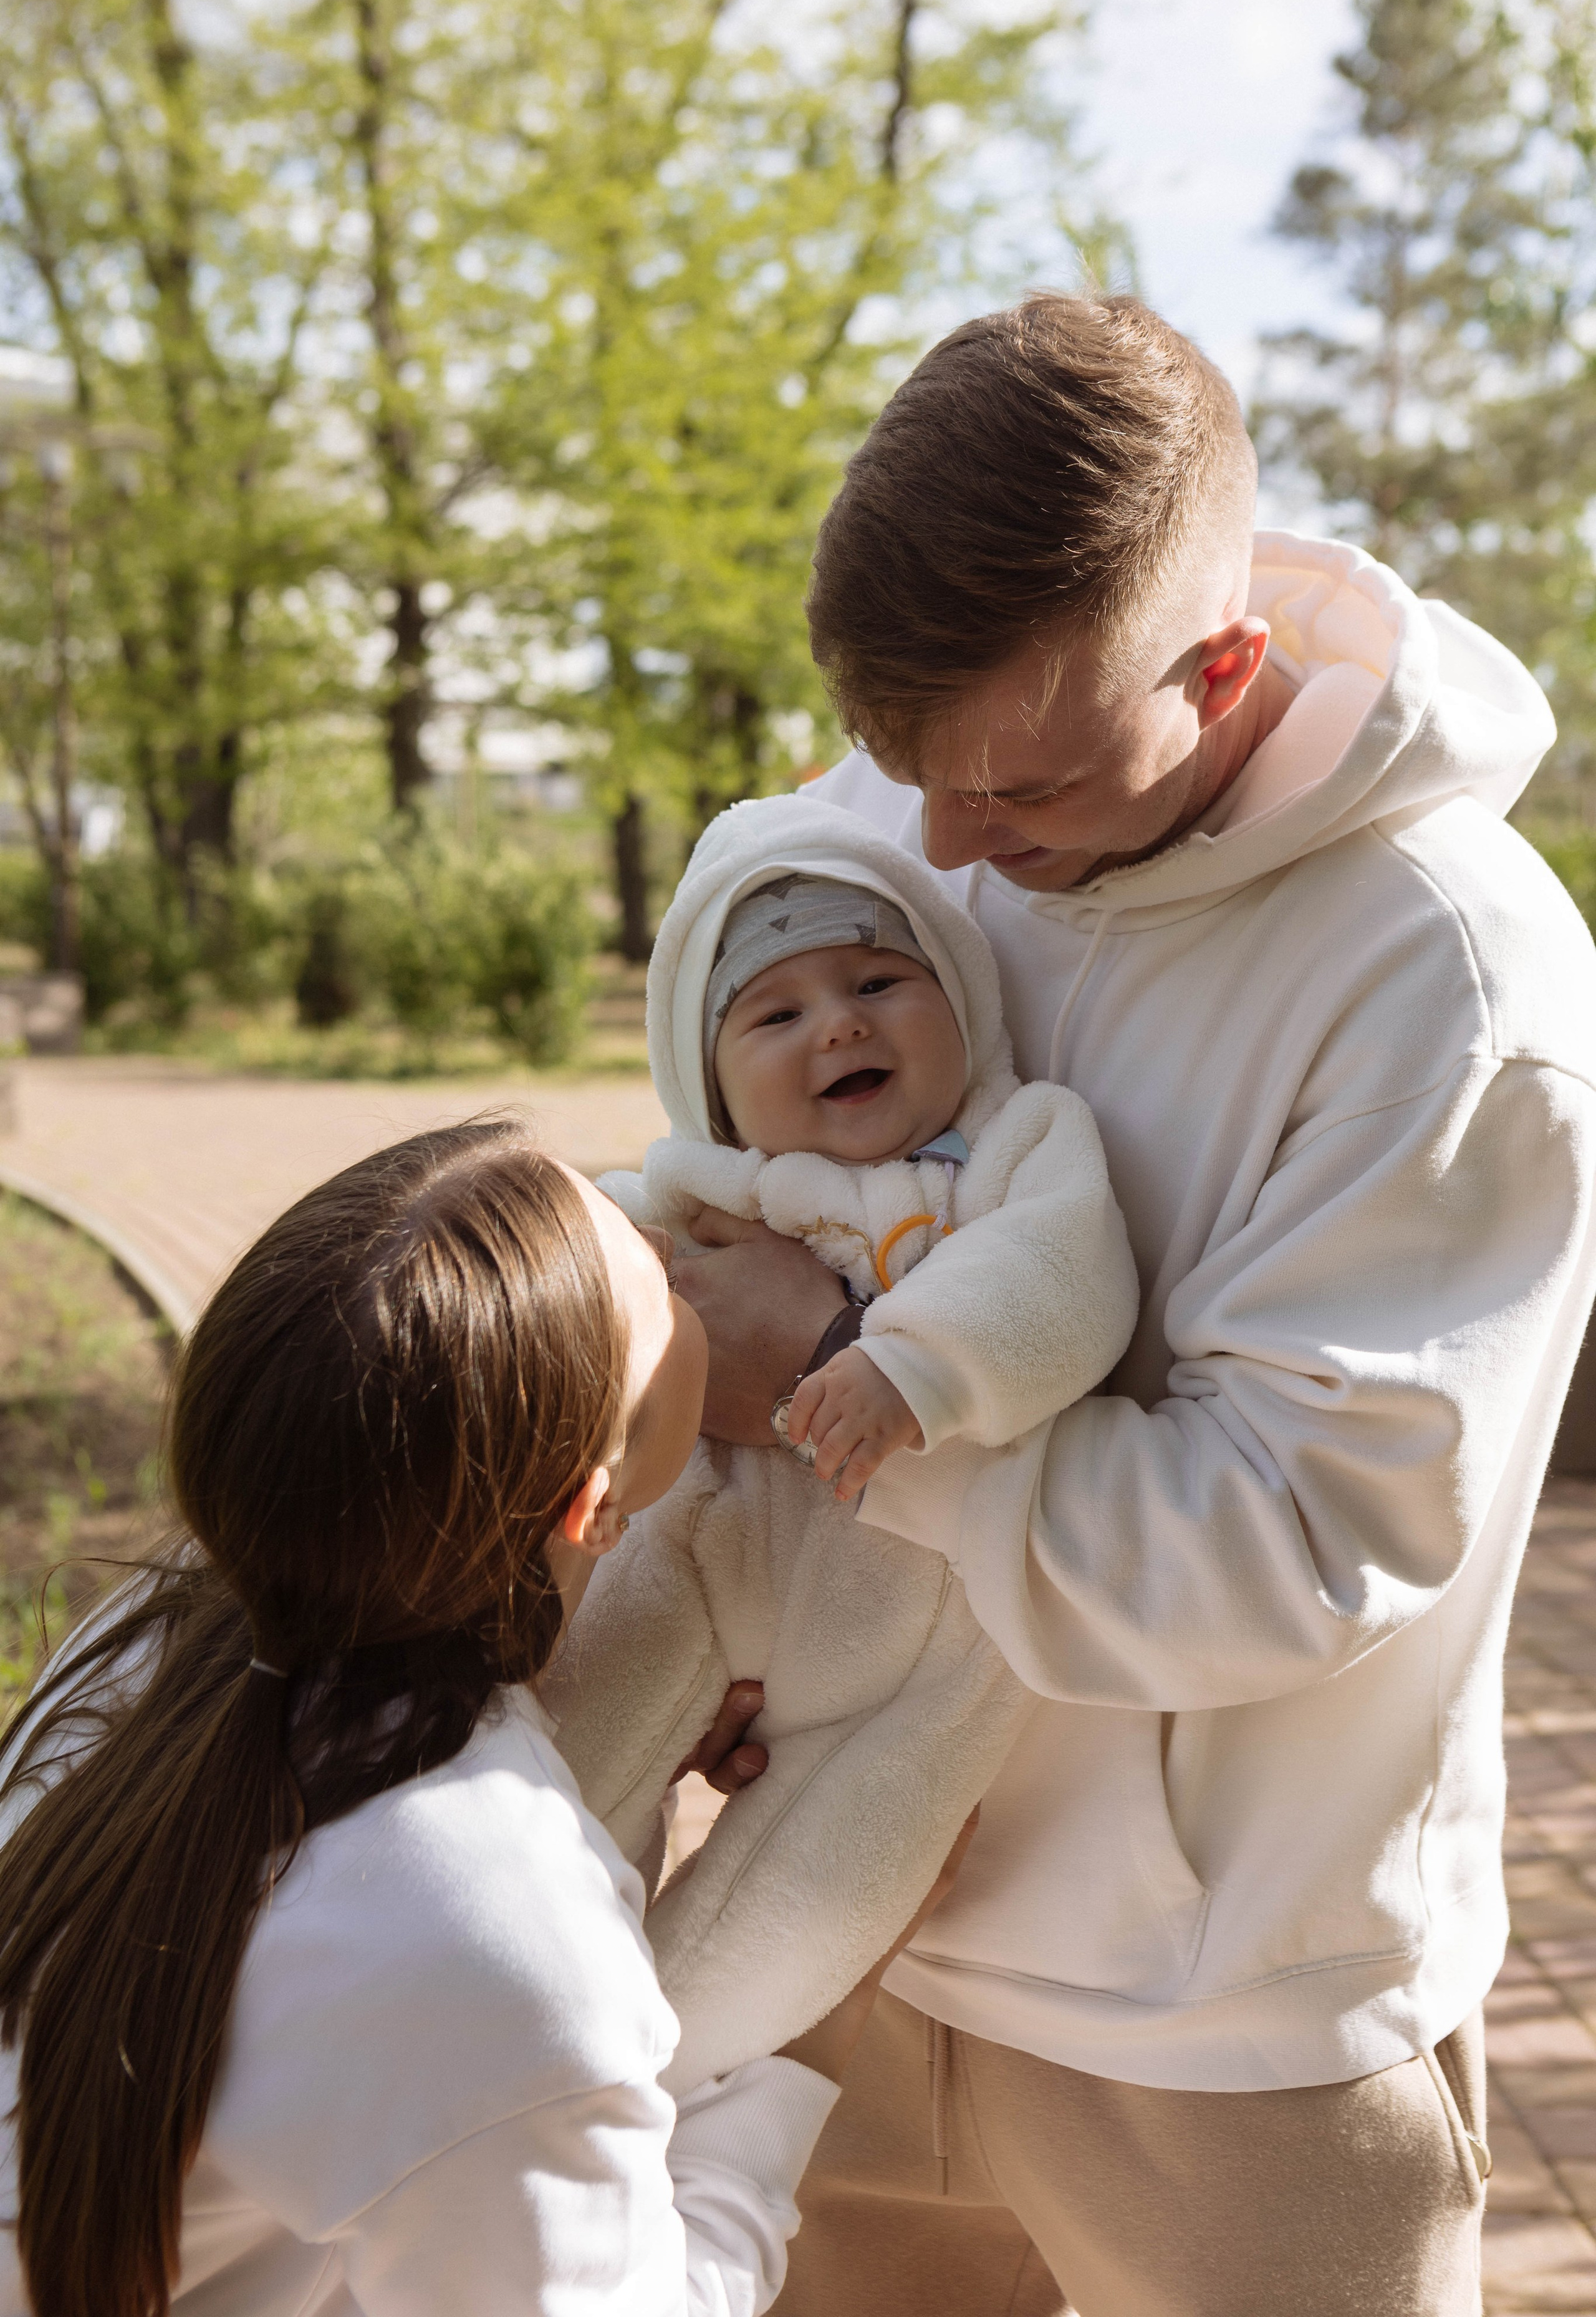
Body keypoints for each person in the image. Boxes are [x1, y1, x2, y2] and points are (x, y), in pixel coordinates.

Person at [665, 293, 1596, 2316]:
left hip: (1221, 2029)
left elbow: (1292, 1547)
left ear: (1231, 666)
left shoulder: (1449, 980)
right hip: (838, 1937)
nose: (934, 849)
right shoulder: (922, 801)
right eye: (900, 765)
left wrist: (834, 1397)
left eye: (1013, 792)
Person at [0, 1121, 968, 2317]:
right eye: (656, 1285)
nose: (669, 1241)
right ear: (593, 1505)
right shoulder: (493, 1929)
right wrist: (817, 2015)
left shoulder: (143, 1642)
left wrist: (622, 1769)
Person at [541, 791, 1137, 2091]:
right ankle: (510, 1989)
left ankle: (654, 2064)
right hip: (700, 1560)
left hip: (929, 1642)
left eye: (877, 980)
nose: (841, 1023)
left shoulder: (1013, 1148)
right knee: (565, 1757)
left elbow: (1065, 1279)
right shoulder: (695, 1192)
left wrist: (905, 1362)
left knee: (826, 1875)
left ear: (959, 1001)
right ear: (709, 1080)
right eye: (776, 1012)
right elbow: (566, 1288)